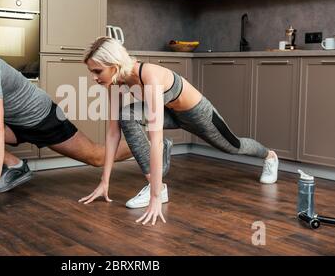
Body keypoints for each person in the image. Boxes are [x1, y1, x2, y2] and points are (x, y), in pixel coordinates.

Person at [0, 18, 171, 217]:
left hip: (41, 117)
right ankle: (17, 166)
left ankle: (155, 149)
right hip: (11, 124)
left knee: (96, 156)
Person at [79, 36, 279, 226]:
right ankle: (157, 187)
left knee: (234, 146)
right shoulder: (115, 83)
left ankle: (269, 156)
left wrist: (155, 200)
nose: (94, 78)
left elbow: (154, 139)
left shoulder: (148, 75)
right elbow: (113, 133)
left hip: (197, 115)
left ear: (114, 66)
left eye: (97, 71)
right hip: (170, 113)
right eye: (92, 72)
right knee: (127, 116)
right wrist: (104, 182)